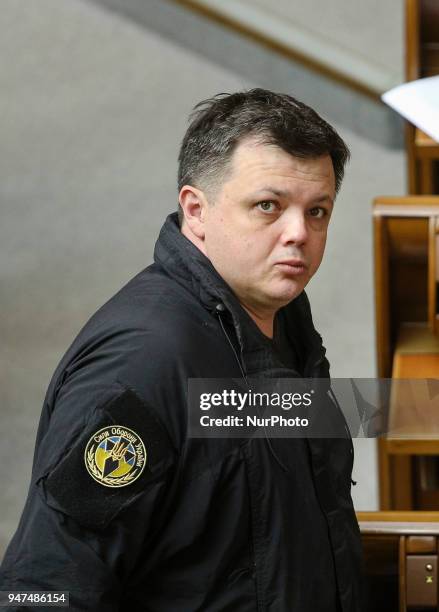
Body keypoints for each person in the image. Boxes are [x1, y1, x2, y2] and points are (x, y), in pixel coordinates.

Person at [0, 89, 363, 611]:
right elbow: (43, 588)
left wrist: (410, 410)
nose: (299, 234)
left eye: (318, 211)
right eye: (268, 206)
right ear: (196, 210)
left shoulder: (282, 317)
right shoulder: (145, 363)